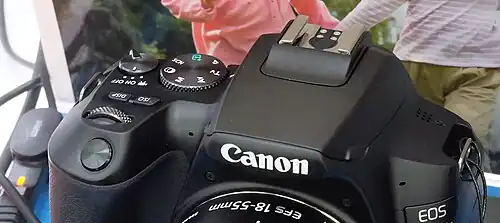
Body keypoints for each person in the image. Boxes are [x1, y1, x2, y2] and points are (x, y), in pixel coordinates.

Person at [337, 0, 500, 171]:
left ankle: (475, 185)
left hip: (476, 71)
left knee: (465, 147)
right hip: (416, 64)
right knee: (398, 145)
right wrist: (338, 38)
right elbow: (380, 3)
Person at [161, 0, 338, 67]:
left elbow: (309, 6)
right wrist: (205, 2)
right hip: (234, 66)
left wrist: (333, 31)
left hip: (285, 54)